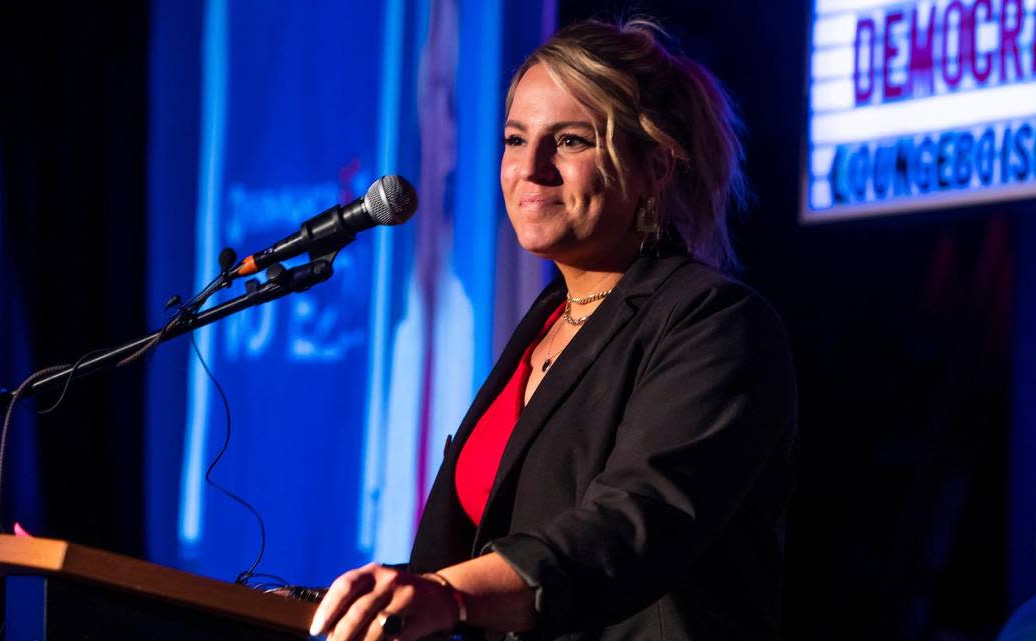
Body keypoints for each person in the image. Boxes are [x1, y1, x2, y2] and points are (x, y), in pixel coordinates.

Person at [311, 18, 796, 641]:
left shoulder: (714, 323)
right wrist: (367, 598)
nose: (530, 168)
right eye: (516, 139)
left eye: (570, 141)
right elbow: (484, 552)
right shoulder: (542, 322)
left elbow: (634, 523)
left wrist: (447, 596)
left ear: (654, 168)